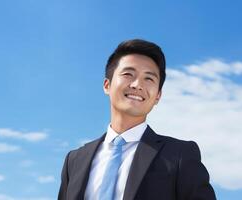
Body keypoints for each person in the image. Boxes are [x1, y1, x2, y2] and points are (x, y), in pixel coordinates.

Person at [58, 39, 216, 200]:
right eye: (128, 74)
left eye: (149, 79)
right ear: (107, 85)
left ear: (157, 96)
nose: (137, 84)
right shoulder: (75, 160)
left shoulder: (180, 155)